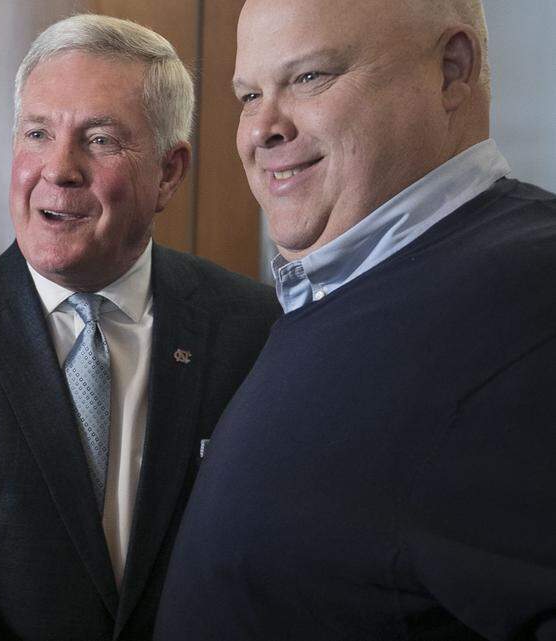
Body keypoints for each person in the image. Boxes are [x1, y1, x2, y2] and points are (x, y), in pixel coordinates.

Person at [0, 14, 280, 641]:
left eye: (99, 140)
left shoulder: (254, 329)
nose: (59, 168)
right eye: (37, 133)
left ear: (170, 172)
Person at [154, 0, 556, 638]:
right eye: (248, 95)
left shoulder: (531, 298)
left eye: (309, 78)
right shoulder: (336, 287)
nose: (262, 129)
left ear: (452, 70)